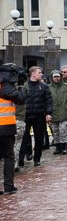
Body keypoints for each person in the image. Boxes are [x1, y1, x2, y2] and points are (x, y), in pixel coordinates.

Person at [0, 63, 27, 195]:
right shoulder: (6, 87)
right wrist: (21, 85)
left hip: (4, 127)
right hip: (5, 127)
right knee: (9, 156)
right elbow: (21, 99)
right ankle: (9, 186)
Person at [19, 66, 53, 167]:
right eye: (39, 72)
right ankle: (21, 159)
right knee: (24, 137)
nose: (41, 74)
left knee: (39, 138)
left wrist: (49, 113)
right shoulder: (25, 85)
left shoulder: (43, 86)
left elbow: (49, 101)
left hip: (39, 115)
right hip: (26, 115)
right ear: (33, 74)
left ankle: (37, 158)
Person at [48, 70, 67, 155]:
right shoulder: (48, 87)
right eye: (54, 77)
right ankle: (57, 147)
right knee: (55, 131)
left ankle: (64, 147)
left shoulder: (66, 87)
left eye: (58, 76)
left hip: (64, 112)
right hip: (53, 113)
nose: (56, 79)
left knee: (63, 130)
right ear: (52, 78)